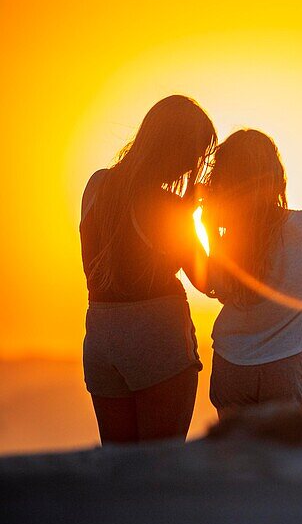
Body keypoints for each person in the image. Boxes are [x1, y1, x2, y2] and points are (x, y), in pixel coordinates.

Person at [79, 95, 216, 444]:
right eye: (194, 154)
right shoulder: (169, 208)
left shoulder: (96, 187)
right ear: (174, 147)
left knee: (119, 468)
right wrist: (208, 221)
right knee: (160, 468)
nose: (191, 166)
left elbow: (96, 268)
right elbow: (209, 281)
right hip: (156, 340)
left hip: (101, 339)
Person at [202, 129, 302, 417]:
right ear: (275, 177)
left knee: (236, 458)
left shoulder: (230, 241)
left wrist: (211, 228)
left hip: (232, 362)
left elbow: (215, 287)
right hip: (284, 363)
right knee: (282, 456)